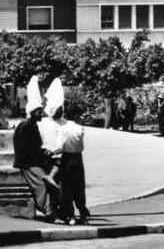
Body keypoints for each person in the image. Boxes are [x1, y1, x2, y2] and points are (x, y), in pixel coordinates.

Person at [13, 75, 59, 222]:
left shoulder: (32, 125)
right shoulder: (26, 126)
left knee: (51, 179)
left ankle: (51, 208)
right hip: (28, 163)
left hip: (33, 160)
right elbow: (25, 149)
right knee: (43, 183)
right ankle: (47, 210)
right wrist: (40, 154)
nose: (41, 113)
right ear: (32, 112)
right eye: (38, 111)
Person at [46, 83, 91, 226]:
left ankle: (70, 216)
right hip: (78, 158)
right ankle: (83, 213)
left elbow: (60, 147)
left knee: (66, 189)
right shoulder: (79, 128)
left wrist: (52, 152)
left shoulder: (63, 129)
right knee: (79, 187)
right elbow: (81, 146)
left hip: (66, 159)